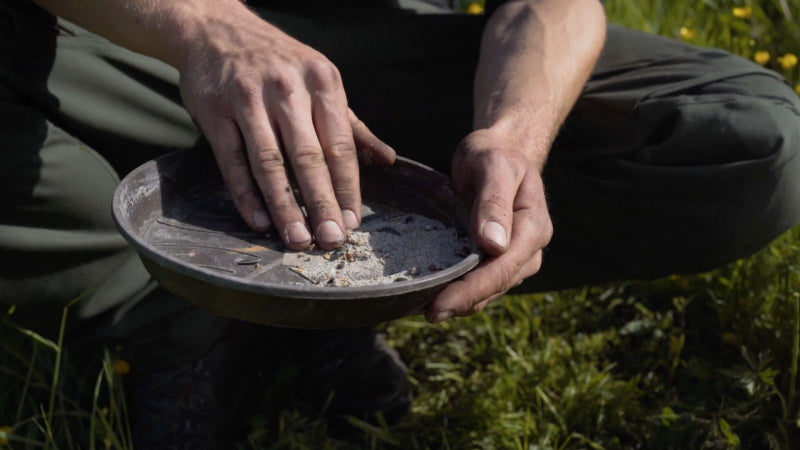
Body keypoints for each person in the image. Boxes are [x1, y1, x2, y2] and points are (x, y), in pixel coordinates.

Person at [1, 0, 798, 447]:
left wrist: (515, 136)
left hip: (388, 46)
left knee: (752, 140)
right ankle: (173, 325)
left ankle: (322, 302)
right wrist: (211, 30)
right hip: (115, 36)